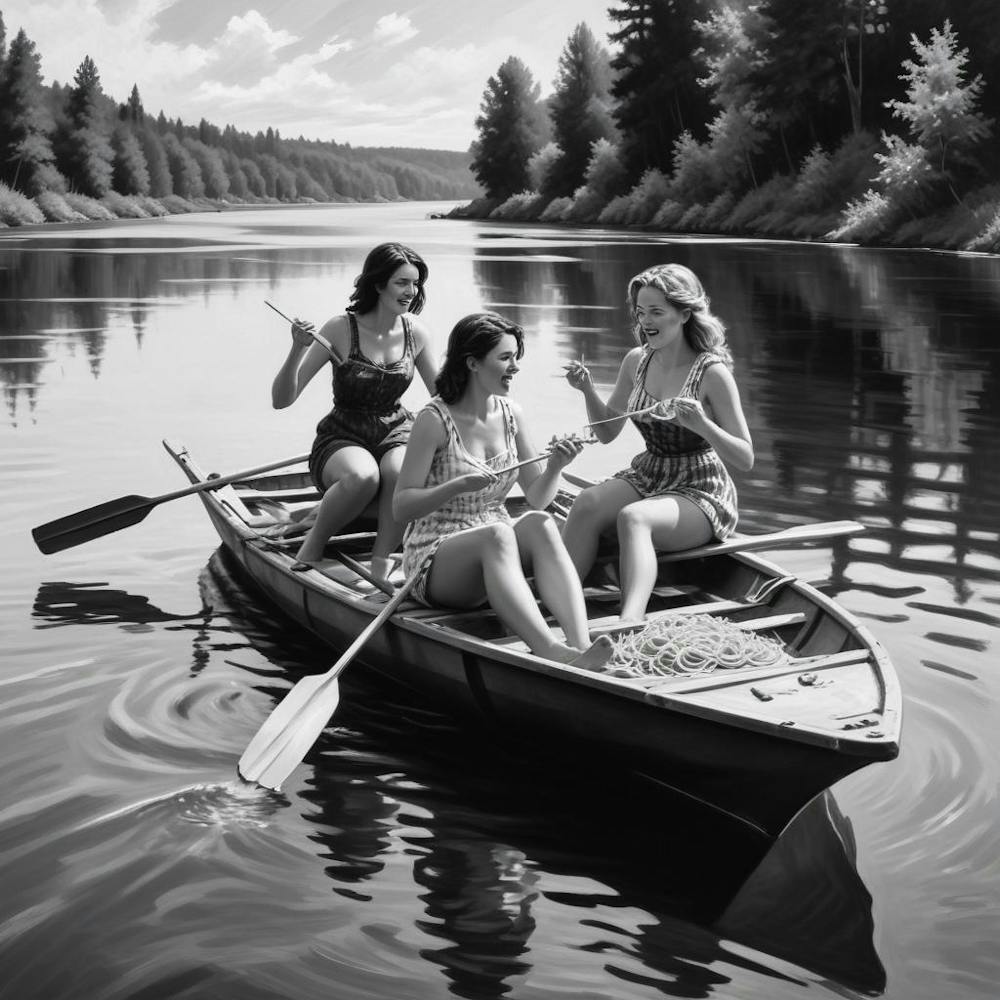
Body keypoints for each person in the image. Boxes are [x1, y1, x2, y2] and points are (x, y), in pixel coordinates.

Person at [393, 312, 613, 669]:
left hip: (498, 553)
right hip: (434, 560)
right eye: (505, 357)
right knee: (498, 534)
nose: (515, 367)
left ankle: (580, 643)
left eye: (516, 357)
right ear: (472, 363)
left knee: (540, 522)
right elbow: (401, 508)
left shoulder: (512, 414)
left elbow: (537, 497)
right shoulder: (433, 420)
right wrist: (457, 485)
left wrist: (556, 465)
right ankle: (549, 650)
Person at [561, 263, 754, 622]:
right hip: (650, 474)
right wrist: (587, 389)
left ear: (684, 314)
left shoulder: (712, 373)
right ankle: (560, 607)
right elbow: (607, 433)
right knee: (587, 503)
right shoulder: (637, 361)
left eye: (656, 311)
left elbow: (745, 459)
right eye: (640, 311)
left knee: (634, 518)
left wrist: (704, 426)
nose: (645, 321)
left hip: (700, 488)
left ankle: (629, 622)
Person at [271, 242, 438, 586]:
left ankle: (382, 562)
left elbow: (443, 396)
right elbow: (282, 400)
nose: (411, 291)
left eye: (416, 283)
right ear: (378, 284)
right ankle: (312, 548)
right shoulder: (339, 328)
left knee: (400, 472)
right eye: (402, 283)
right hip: (343, 434)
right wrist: (296, 348)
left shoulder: (416, 333)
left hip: (396, 429)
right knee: (363, 477)